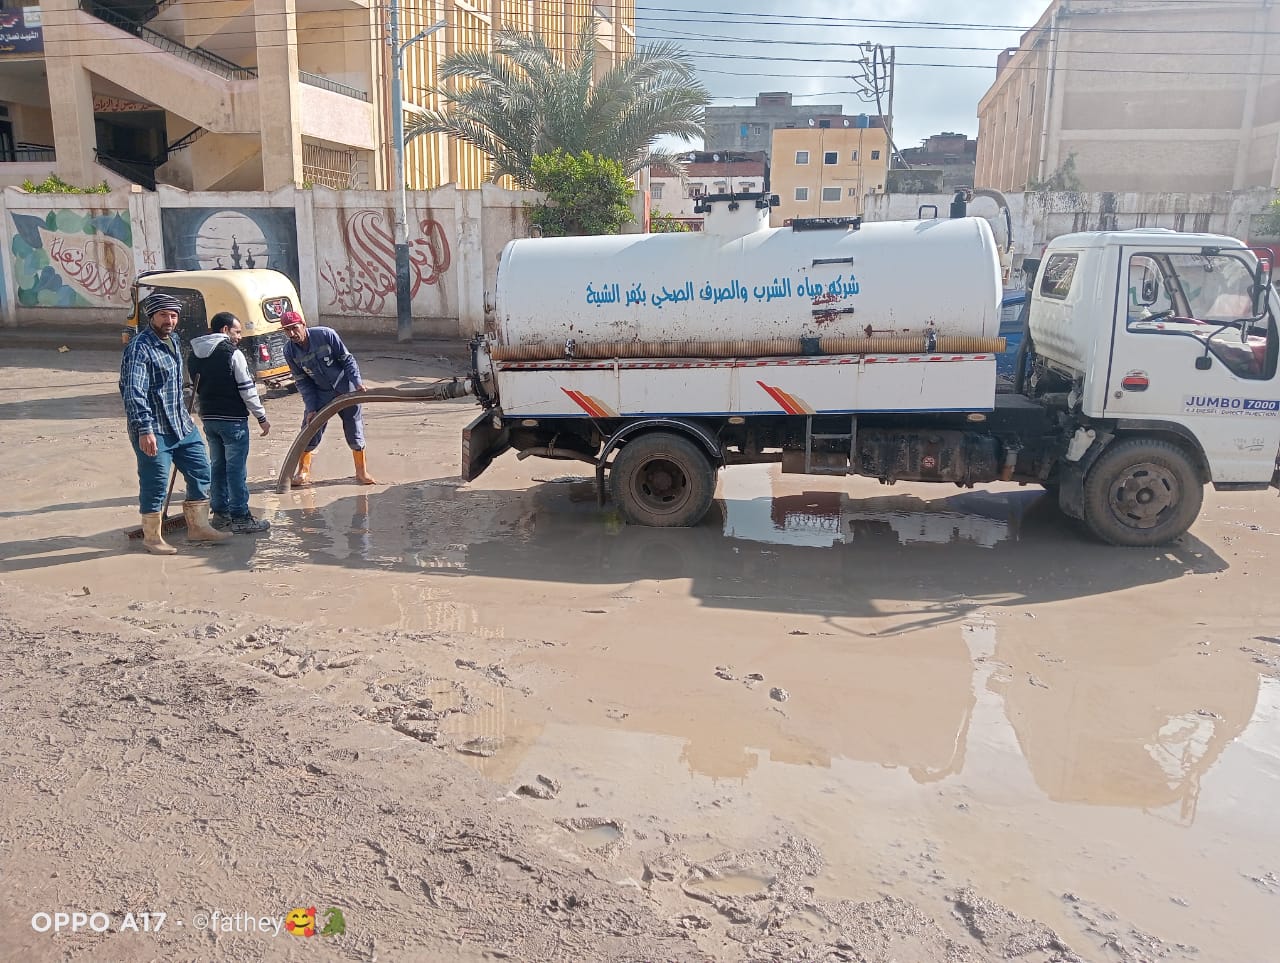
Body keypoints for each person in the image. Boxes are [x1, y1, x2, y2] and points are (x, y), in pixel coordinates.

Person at [119, 292, 231, 554]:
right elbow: (133, 391)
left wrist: (187, 408)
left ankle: (198, 527)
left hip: (180, 423)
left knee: (201, 470)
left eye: (173, 315)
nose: (169, 320)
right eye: (163, 315)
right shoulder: (139, 347)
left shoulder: (174, 340)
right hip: (153, 428)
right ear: (152, 317)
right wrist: (144, 429)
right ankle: (152, 537)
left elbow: (176, 384)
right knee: (155, 481)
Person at [189, 311, 273, 534]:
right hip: (233, 420)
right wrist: (261, 417)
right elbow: (247, 389)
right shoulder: (232, 353)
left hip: (209, 419)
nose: (239, 337)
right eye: (236, 331)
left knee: (217, 466)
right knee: (236, 470)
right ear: (225, 330)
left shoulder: (194, 354)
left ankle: (220, 515)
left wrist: (201, 413)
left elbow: (193, 390)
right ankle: (241, 517)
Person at [280, 311, 376, 486]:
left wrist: (357, 382)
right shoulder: (289, 351)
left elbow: (348, 360)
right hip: (320, 393)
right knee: (309, 429)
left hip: (345, 388)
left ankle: (361, 472)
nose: (292, 334)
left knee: (354, 429)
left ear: (304, 324)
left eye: (294, 328)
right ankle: (303, 471)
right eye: (287, 330)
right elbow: (302, 382)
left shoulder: (326, 335)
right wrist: (311, 407)